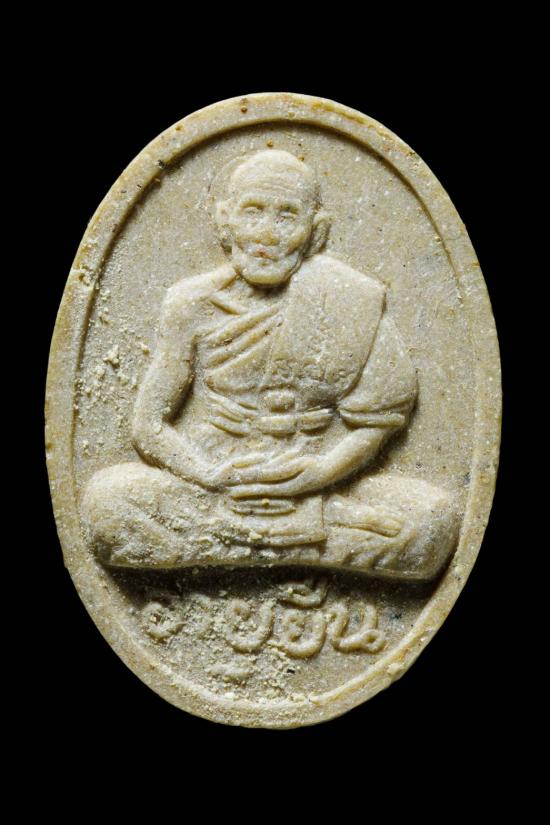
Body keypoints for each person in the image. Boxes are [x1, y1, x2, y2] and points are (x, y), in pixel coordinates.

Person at [81, 150, 459, 580]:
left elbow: (377, 422)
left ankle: (229, 545)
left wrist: (321, 472)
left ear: (315, 231)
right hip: (215, 485)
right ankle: (295, 544)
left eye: (286, 217)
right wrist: (210, 474)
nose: (266, 234)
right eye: (252, 212)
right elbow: (149, 425)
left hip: (321, 481)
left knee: (432, 519)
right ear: (225, 221)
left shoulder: (351, 299)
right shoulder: (190, 303)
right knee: (106, 504)